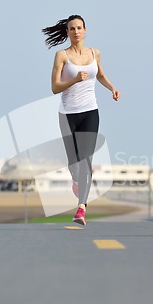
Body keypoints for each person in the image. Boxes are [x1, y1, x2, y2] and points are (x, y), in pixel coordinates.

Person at [42, 14, 121, 225]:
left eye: (79, 28)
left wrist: (112, 88)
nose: (76, 31)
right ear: (67, 32)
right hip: (67, 114)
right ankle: (76, 180)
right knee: (74, 164)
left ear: (85, 30)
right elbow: (54, 88)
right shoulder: (62, 56)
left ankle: (81, 208)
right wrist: (75, 79)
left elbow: (101, 75)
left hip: (90, 112)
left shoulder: (95, 53)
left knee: (86, 160)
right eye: (72, 29)